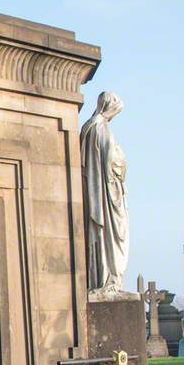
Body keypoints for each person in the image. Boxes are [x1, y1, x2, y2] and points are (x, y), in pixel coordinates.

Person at [79, 91, 129, 296]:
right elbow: (110, 162)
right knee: (112, 237)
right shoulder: (100, 128)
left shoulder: (89, 127)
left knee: (102, 235)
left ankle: (104, 278)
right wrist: (121, 161)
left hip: (98, 191)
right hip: (106, 193)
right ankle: (110, 280)